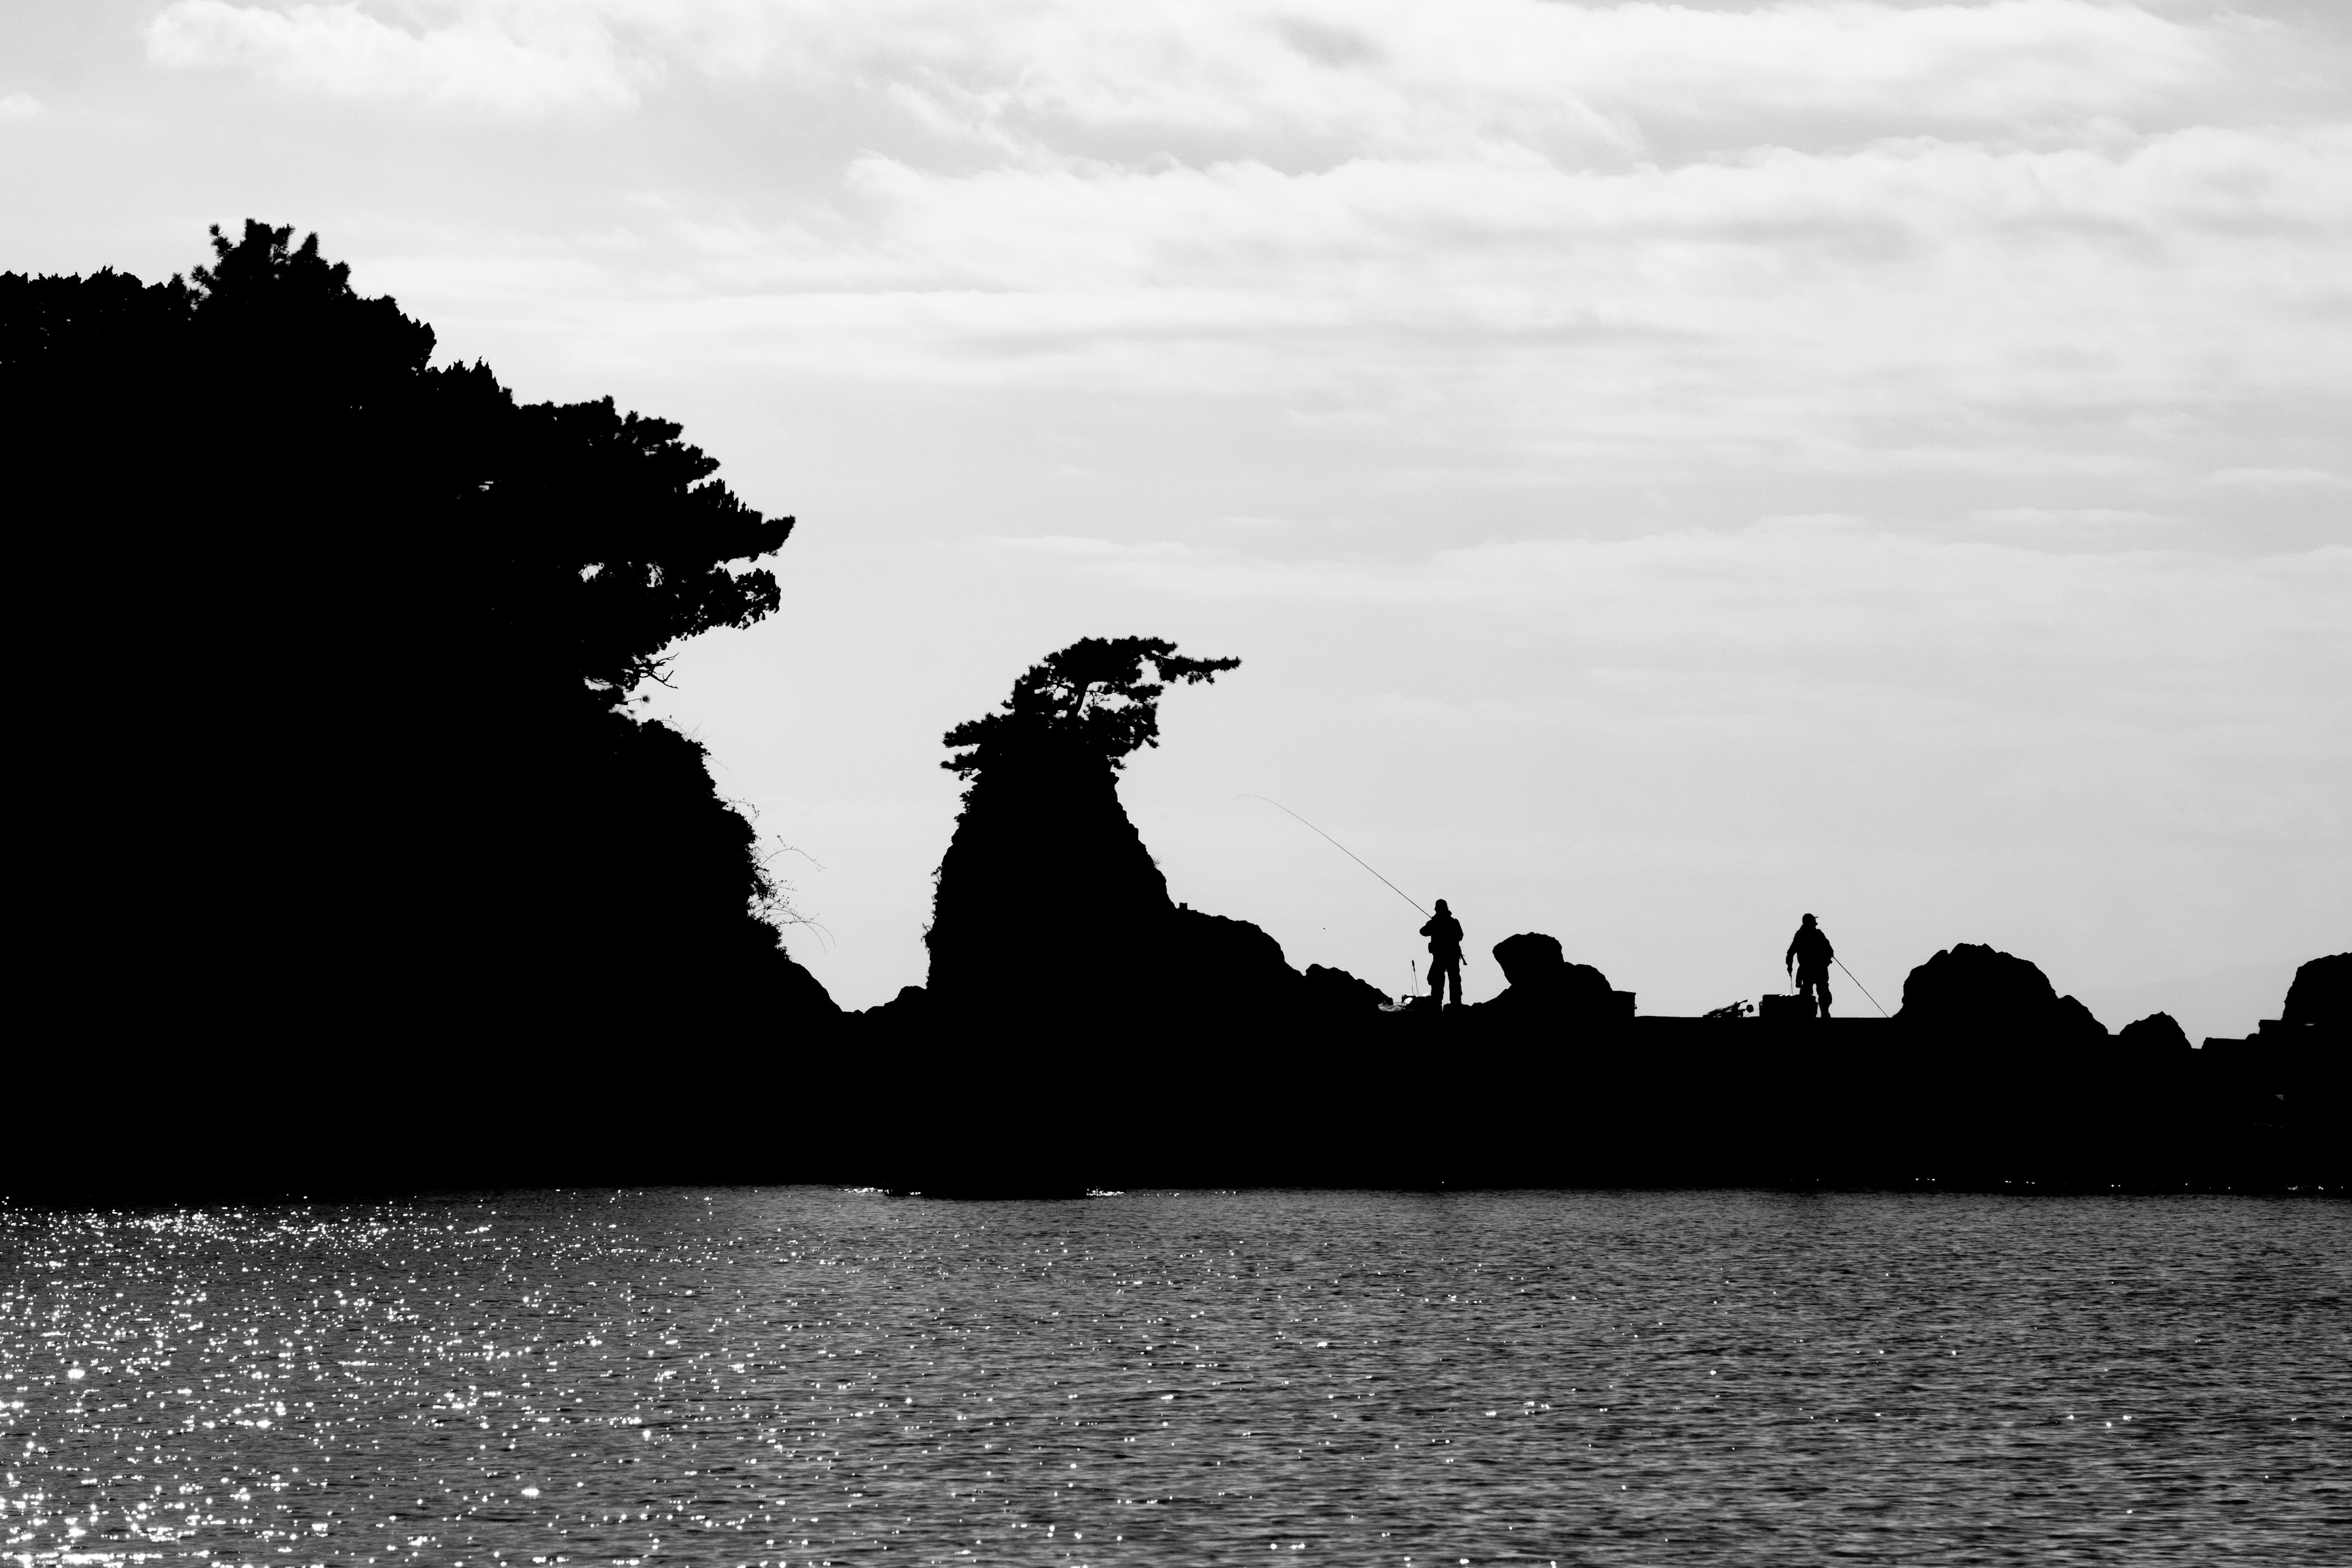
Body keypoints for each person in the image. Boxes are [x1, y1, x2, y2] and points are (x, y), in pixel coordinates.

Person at [1785, 913, 1834, 1019]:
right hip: (1818, 969)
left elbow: (1791, 953)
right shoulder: (1818, 934)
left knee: (1809, 992)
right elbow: (1830, 950)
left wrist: (1790, 966)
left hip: (1807, 969)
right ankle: (1823, 1014)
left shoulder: (1800, 935)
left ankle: (1809, 1015)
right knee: (1820, 992)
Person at [1421, 899, 1465, 1008]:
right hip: (1453, 955)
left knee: (1437, 979)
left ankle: (1437, 1003)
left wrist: (1434, 923)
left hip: (1440, 956)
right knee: (1453, 978)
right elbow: (1460, 936)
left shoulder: (1435, 923)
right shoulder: (1454, 922)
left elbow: (1423, 931)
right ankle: (1456, 1003)